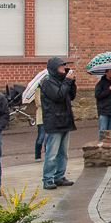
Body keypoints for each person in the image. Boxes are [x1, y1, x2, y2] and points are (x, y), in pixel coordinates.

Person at [39, 57, 78, 190]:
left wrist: (72, 83)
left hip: (65, 120)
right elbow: (58, 95)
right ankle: (47, 178)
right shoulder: (48, 82)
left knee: (63, 153)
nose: (64, 68)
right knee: (52, 153)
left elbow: (71, 96)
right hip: (54, 121)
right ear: (54, 68)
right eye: (61, 66)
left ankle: (59, 176)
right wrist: (67, 81)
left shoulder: (63, 81)